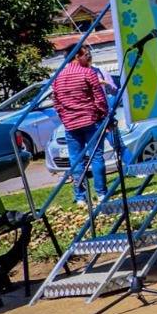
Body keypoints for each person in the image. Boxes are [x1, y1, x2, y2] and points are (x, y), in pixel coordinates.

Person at [50, 44, 111, 207]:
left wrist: (65, 117)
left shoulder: (58, 77)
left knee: (76, 160)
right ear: (77, 56)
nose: (88, 57)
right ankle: (101, 193)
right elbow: (99, 99)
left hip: (70, 124)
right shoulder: (88, 73)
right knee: (96, 157)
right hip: (91, 120)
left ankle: (80, 197)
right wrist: (105, 116)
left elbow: (56, 102)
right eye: (86, 54)